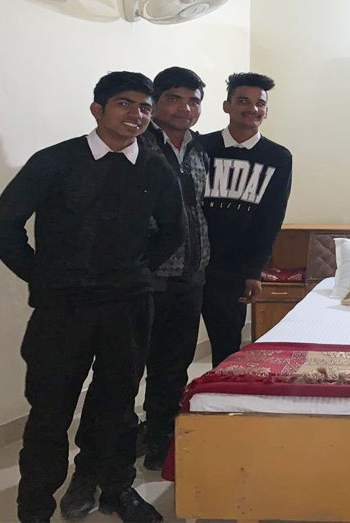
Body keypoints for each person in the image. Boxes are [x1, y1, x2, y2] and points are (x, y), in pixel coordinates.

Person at [0, 72, 183, 523]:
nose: (136, 114)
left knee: (118, 405)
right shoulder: (55, 161)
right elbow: (2, 227)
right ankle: (34, 505)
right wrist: (44, 277)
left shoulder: (155, 167)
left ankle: (116, 489)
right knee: (50, 411)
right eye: (124, 103)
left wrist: (135, 271)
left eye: (144, 107)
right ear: (97, 110)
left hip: (128, 308)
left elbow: (174, 231)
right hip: (62, 309)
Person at [134, 66, 211, 470]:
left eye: (193, 100)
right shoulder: (137, 144)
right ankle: (113, 443)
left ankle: (160, 435)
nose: (185, 108)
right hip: (145, 276)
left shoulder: (200, 148)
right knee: (129, 365)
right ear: (156, 102)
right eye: (174, 99)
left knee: (174, 364)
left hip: (190, 274)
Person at [200, 72, 292, 367]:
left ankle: (219, 396)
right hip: (190, 264)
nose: (252, 109)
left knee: (227, 345)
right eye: (243, 101)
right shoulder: (200, 147)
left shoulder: (278, 157)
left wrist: (254, 270)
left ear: (266, 111)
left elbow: (271, 217)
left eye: (260, 104)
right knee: (173, 344)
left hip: (234, 269)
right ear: (226, 105)